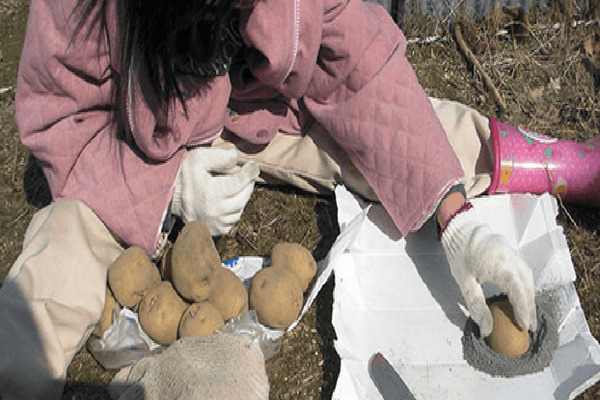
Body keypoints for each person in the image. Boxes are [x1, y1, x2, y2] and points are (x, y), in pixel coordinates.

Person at [1, 0, 598, 398]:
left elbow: (361, 72)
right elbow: (60, 121)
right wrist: (167, 187)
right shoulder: (75, 10)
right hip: (133, 149)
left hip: (265, 119)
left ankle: (532, 157)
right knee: (61, 245)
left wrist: (454, 216)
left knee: (421, 136)